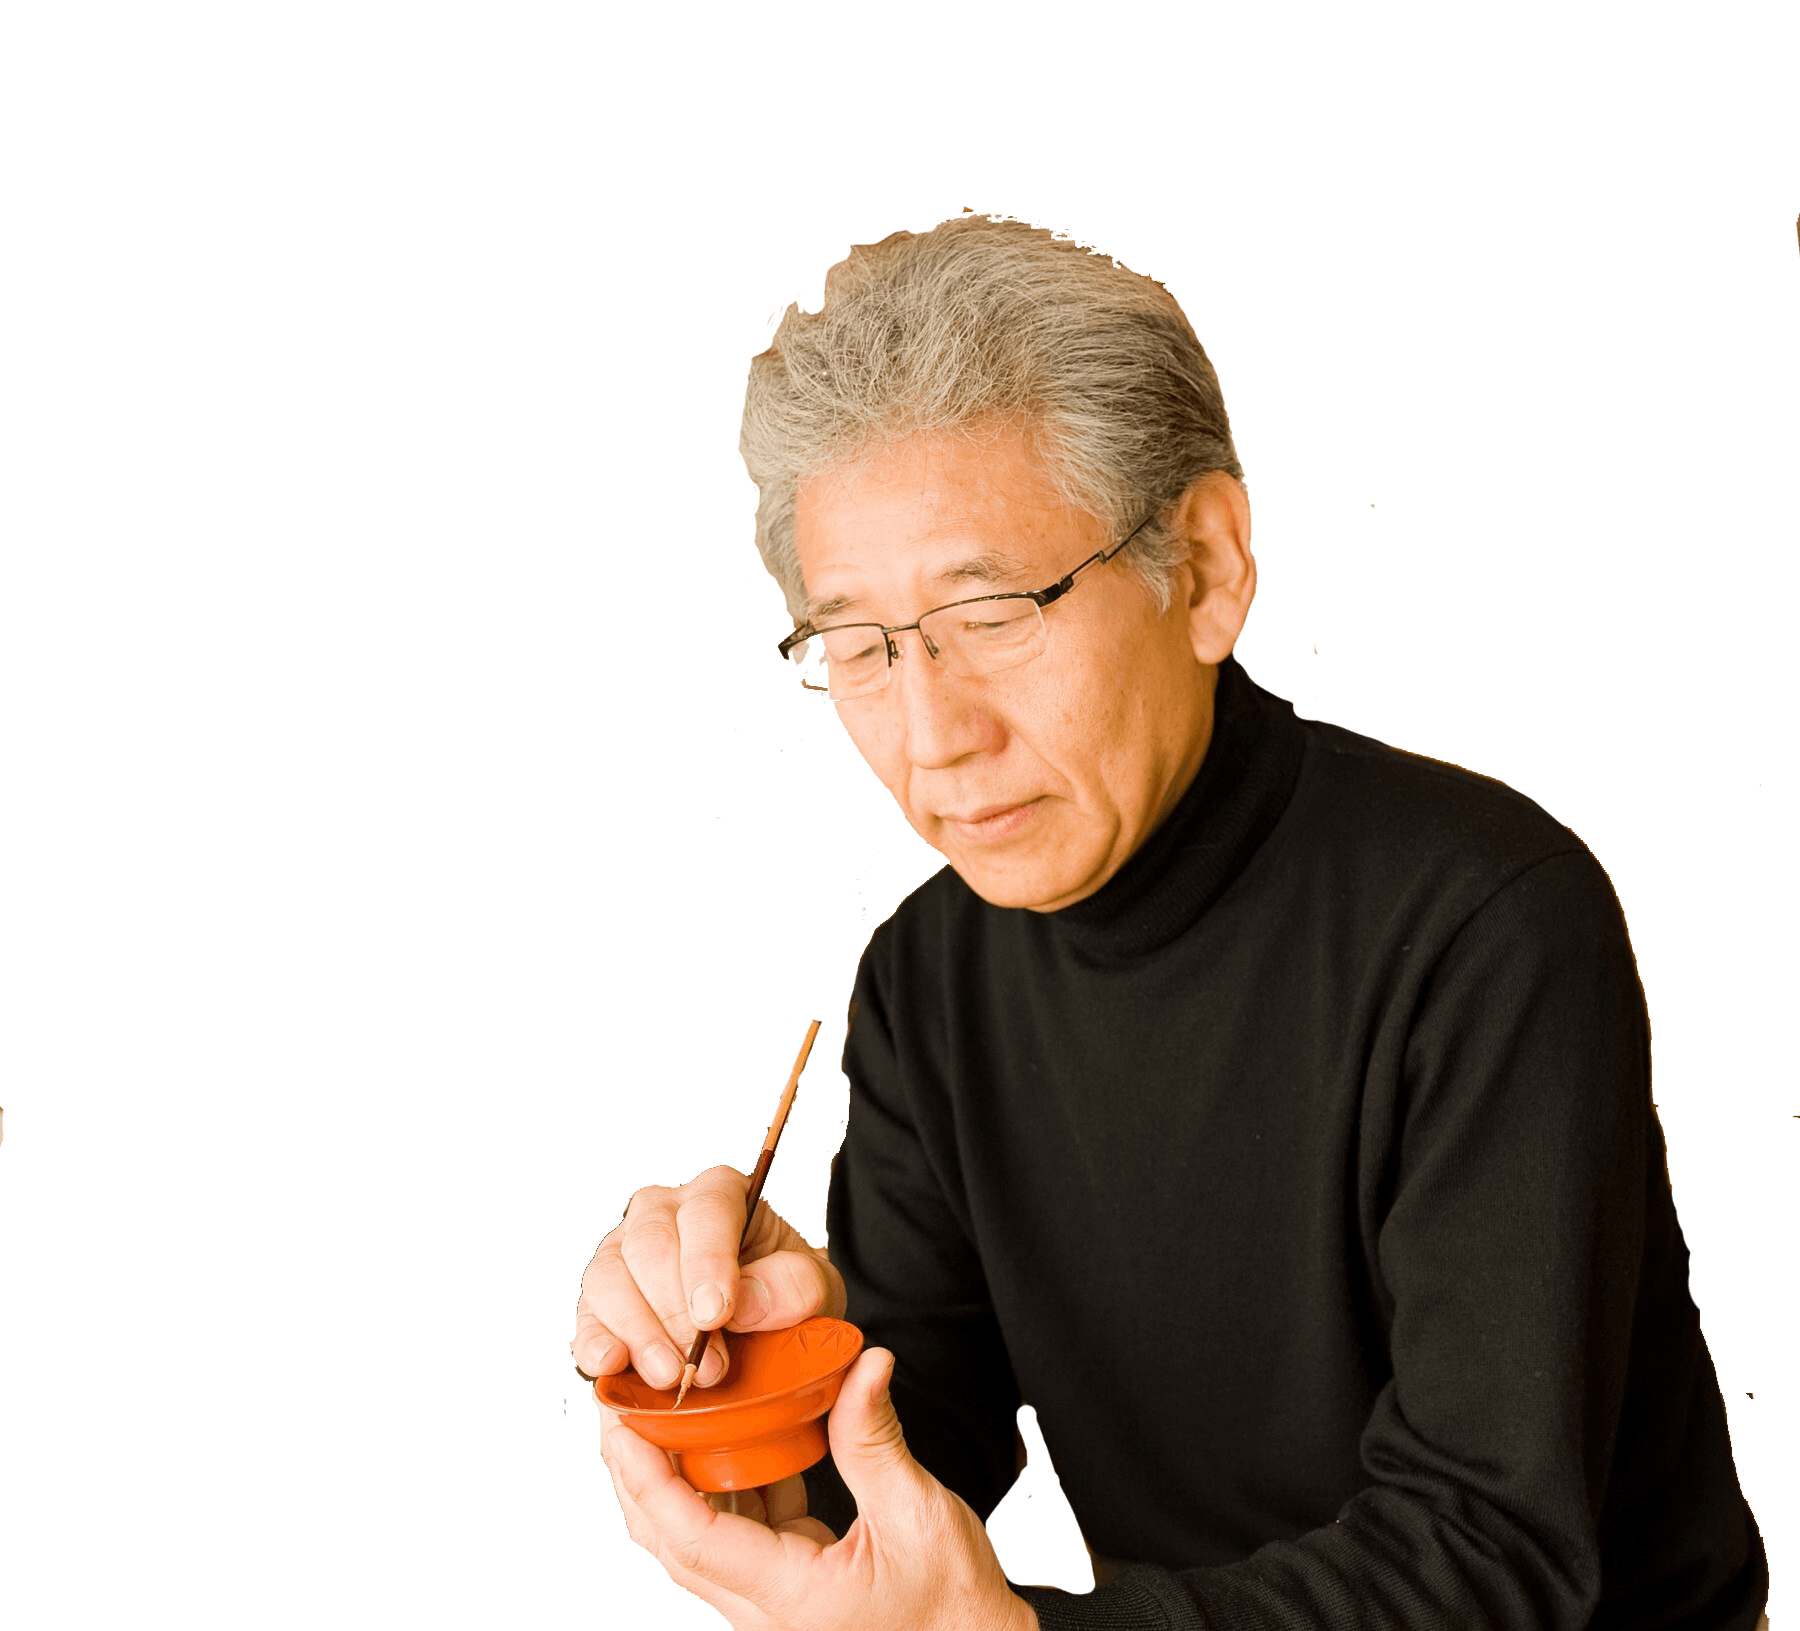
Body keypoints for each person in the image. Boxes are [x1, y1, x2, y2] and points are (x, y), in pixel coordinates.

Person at [574, 215, 1771, 1630]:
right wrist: (763, 1386)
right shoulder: (926, 975)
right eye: (858, 646)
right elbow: (912, 1468)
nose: (932, 734)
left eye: (992, 613)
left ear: (1204, 567)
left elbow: (1495, 1551)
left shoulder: (1484, 920)